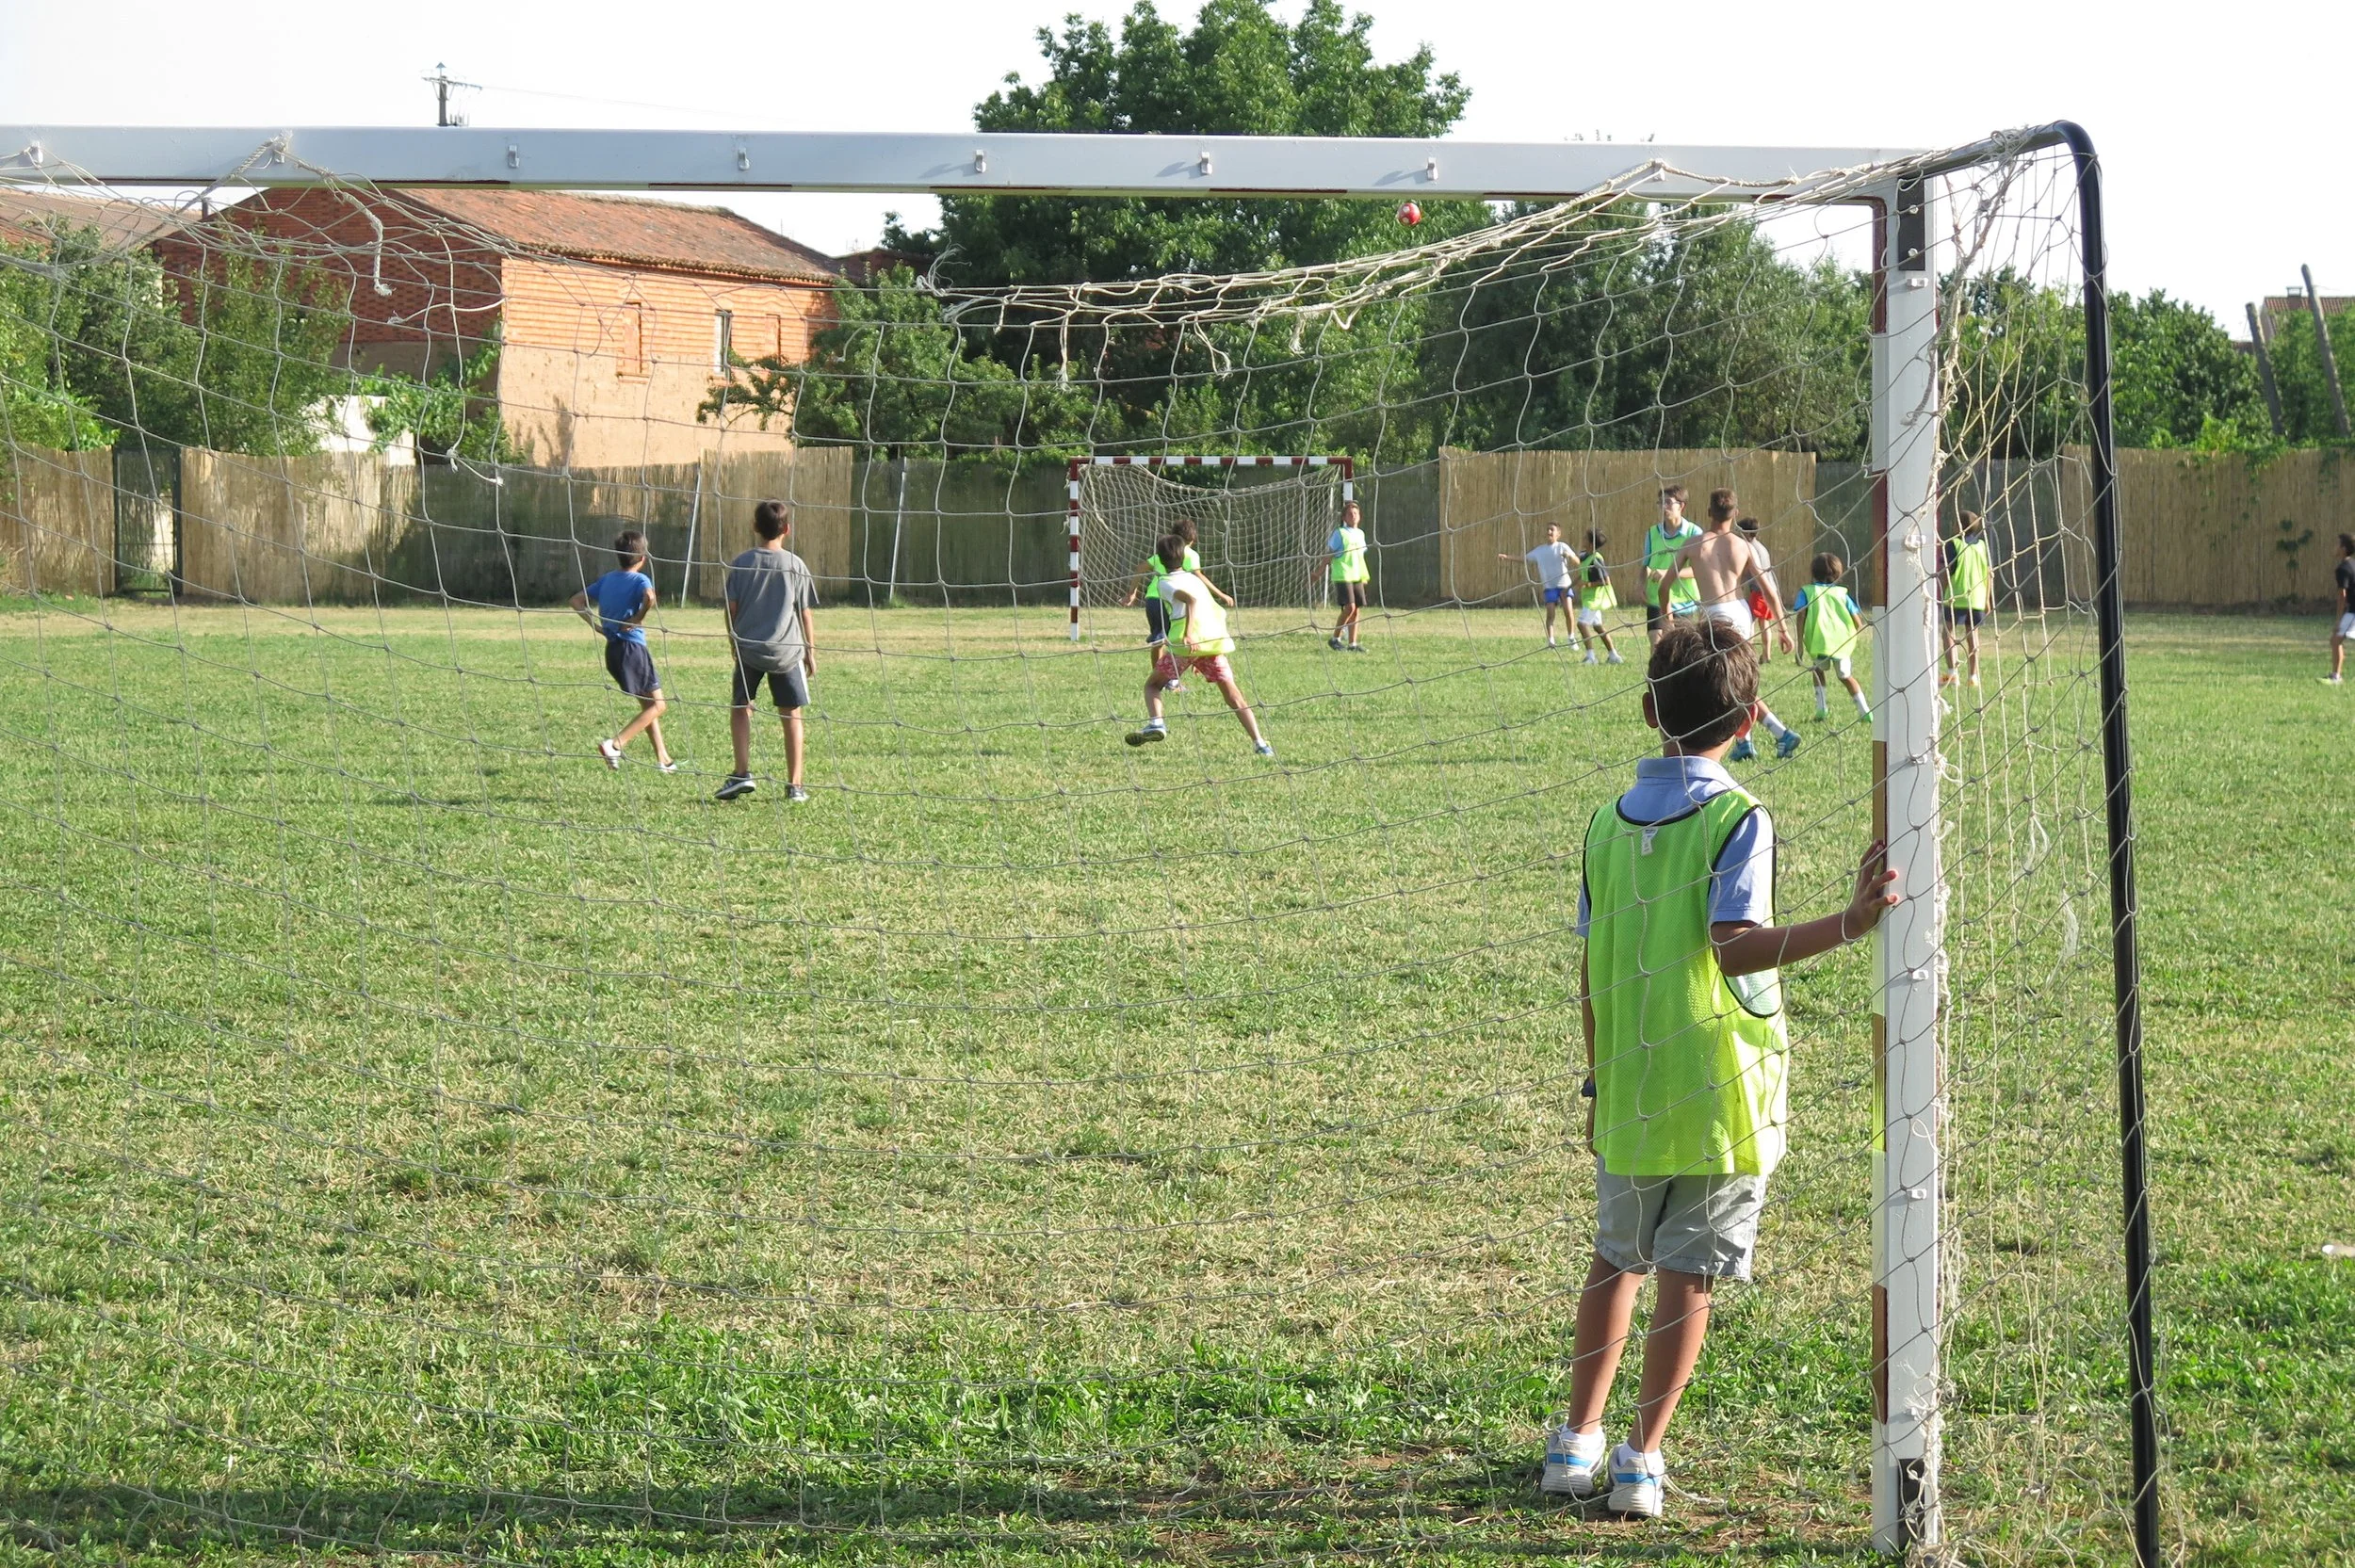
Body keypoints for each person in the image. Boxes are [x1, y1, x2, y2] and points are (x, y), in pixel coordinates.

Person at [1541, 620, 1899, 1519]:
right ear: (1747, 719)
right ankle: (1639, 1461)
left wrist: (1597, 1078)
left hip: (1628, 1083)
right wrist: (1849, 922)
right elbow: (1734, 947)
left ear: (1648, 709)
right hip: (1718, 1097)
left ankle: (1573, 1443)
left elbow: (1590, 969)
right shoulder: (1739, 816)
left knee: (1614, 1260)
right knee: (1688, 1275)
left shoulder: (1601, 823)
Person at [1660, 490, 1799, 761]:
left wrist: (1668, 621)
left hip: (1715, 615)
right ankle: (1745, 743)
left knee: (1725, 683)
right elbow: (1768, 588)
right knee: (1738, 678)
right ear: (1735, 514)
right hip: (1741, 611)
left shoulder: (1694, 543)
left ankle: (1780, 732)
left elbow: (1665, 585)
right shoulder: (1742, 545)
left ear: (1709, 512)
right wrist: (1783, 627)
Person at [1128, 534, 1274, 757]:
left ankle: (1157, 723)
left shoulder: (1165, 582)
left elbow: (1190, 601)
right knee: (1234, 696)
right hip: (1212, 643)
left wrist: (1188, 635)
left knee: (1152, 686)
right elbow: (1212, 610)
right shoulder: (1194, 579)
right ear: (1184, 556)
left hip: (1185, 645)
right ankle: (1260, 743)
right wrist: (1204, 651)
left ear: (1159, 558)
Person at [716, 500, 820, 803]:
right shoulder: (795, 565)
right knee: (791, 714)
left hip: (748, 650)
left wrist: (733, 641)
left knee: (741, 707)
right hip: (787, 653)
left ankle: (741, 773)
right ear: (787, 529)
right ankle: (795, 785)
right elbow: (805, 611)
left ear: (754, 527)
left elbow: (730, 608)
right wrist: (810, 650)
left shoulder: (741, 563)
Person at [570, 529, 677, 772]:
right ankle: (615, 744)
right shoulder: (641, 580)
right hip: (633, 649)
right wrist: (639, 617)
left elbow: (576, 600)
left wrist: (595, 625)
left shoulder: (608, 579)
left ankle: (664, 759)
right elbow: (650, 597)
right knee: (659, 706)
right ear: (643, 558)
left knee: (647, 705)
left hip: (614, 650)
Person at [1120, 517, 1232, 695]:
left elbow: (1140, 567)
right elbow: (1199, 577)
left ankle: (1162, 680)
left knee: (1158, 640)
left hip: (1154, 599)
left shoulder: (1160, 555)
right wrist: (1220, 594)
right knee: (1179, 639)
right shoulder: (1190, 554)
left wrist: (1132, 592)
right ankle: (1169, 681)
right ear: (1191, 541)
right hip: (1177, 602)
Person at [1792, 553, 1872, 721]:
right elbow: (1858, 622)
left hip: (1819, 642)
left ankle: (1821, 708)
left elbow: (1800, 616)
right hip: (1841, 645)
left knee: (1817, 670)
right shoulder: (1842, 594)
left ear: (1813, 572)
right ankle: (1865, 711)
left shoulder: (1807, 592)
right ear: (1838, 573)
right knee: (1845, 676)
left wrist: (1799, 645)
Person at [1498, 521, 1580, 646]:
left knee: (1568, 611)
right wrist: (1507, 557)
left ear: (1558, 534)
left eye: (1552, 530)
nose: (1549, 532)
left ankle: (1571, 638)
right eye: (1547, 529)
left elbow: (1577, 562)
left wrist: (1569, 556)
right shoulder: (1540, 551)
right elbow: (1524, 559)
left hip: (1564, 585)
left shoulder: (1562, 547)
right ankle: (1551, 641)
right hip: (1549, 587)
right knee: (1550, 613)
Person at [1940, 511, 1992, 689]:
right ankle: (1973, 676)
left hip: (1956, 597)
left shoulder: (1953, 544)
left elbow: (1947, 572)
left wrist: (1941, 592)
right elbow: (1988, 574)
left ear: (1957, 526)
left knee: (1948, 633)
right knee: (1973, 637)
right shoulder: (1982, 546)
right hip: (1977, 598)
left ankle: (1953, 674)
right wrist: (1987, 599)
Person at [1643, 486, 1701, 643]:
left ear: (1681, 506)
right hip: (1656, 598)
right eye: (1660, 502)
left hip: (1684, 601)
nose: (1663, 507)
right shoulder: (1652, 533)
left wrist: (1668, 573)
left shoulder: (1694, 533)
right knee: (1657, 645)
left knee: (1681, 649)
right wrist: (1640, 583)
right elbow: (1645, 564)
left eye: (1668, 502)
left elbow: (1699, 570)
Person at [1734, 517, 1797, 663]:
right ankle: (1766, 655)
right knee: (1764, 623)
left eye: (1740, 533)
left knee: (1748, 621)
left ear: (1747, 533)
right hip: (1769, 589)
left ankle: (1748, 652)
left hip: (1760, 591)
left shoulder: (1749, 548)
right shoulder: (1761, 547)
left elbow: (1746, 571)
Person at [1327, 500, 1372, 652]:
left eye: (1355, 513)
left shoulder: (1360, 534)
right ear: (1344, 518)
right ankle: (1335, 638)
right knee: (1349, 607)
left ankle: (1353, 644)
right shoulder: (1340, 533)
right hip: (1343, 575)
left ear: (1359, 516)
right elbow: (1329, 554)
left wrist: (1364, 576)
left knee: (1356, 609)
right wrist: (1318, 572)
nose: (1353, 516)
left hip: (1357, 576)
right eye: (1349, 514)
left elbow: (1360, 558)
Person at [1576, 528, 1626, 665]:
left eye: (1585, 538)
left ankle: (1591, 657)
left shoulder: (1596, 559)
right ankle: (1614, 655)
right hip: (1589, 598)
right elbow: (1582, 574)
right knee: (1598, 626)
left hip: (1596, 599)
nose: (1583, 539)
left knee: (1581, 624)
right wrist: (1569, 587)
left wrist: (1587, 584)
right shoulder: (1584, 556)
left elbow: (1605, 581)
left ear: (1591, 543)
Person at [2327, 533, 2353, 686]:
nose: (2334, 548)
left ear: (2343, 549)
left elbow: (2342, 596)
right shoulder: (2353, 564)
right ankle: (2336, 675)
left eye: (2337, 545)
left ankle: (2336, 677)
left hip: (2353, 611)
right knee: (2336, 640)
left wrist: (2338, 619)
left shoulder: (2342, 569)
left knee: (2336, 639)